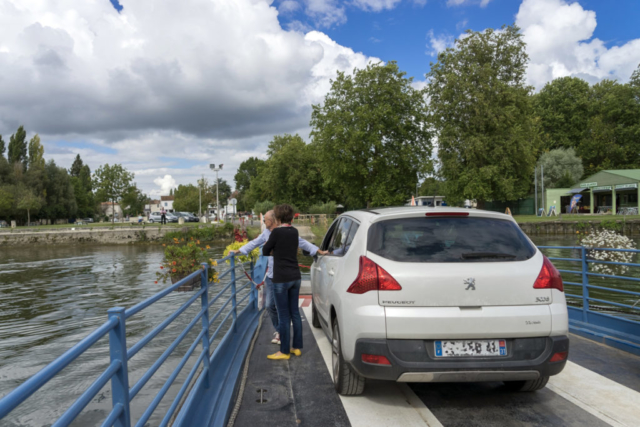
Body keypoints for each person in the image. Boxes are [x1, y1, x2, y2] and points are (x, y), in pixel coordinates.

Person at [229, 210, 325, 346]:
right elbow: (255, 243)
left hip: (284, 275)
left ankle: (284, 337)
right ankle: (281, 331)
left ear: (273, 220)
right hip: (272, 275)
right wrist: (239, 251)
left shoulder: (285, 232)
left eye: (265, 220)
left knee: (285, 309)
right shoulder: (266, 233)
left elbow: (302, 243)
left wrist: (317, 250)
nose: (263, 222)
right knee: (269, 305)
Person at [262, 204, 306, 360]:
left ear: (278, 218)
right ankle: (297, 348)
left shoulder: (276, 232)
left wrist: (276, 251)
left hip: (281, 279)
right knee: (295, 312)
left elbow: (265, 250)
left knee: (283, 315)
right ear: (291, 217)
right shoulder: (294, 231)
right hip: (296, 277)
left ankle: (284, 351)